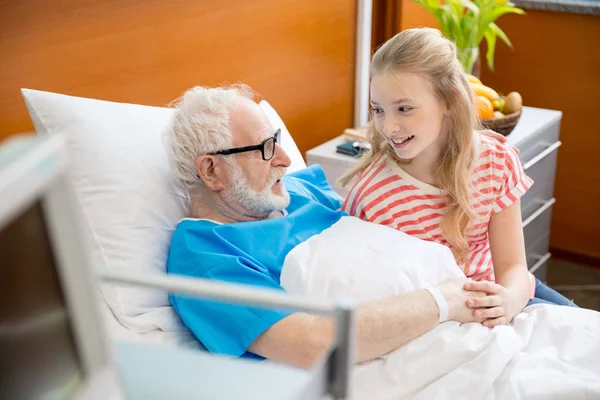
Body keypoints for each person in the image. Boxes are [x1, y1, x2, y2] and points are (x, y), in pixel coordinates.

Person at [165, 84, 490, 369]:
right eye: (264, 149)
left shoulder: (294, 189)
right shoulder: (206, 256)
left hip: (467, 296)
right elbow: (312, 345)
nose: (285, 159)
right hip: (428, 339)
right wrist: (441, 300)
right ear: (211, 171)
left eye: (276, 140)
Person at [338, 28, 574, 331]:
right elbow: (382, 303)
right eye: (378, 110)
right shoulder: (374, 198)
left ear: (448, 100)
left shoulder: (495, 160)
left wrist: (508, 301)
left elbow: (513, 266)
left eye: (404, 108)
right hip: (442, 320)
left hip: (506, 292)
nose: (389, 126)